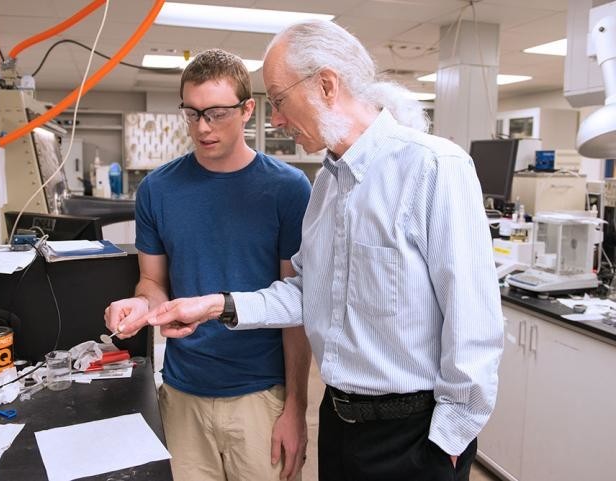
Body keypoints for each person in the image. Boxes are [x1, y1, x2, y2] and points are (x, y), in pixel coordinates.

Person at [136, 21, 504, 481]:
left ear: (327, 85)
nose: (276, 120)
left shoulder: (433, 167)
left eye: (280, 100)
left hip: (413, 434)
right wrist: (216, 306)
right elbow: (306, 292)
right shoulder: (328, 184)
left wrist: (451, 437)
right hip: (340, 421)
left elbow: (474, 318)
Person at [104, 49, 312, 481]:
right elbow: (152, 281)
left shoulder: (288, 189)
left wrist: (296, 406)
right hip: (183, 393)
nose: (202, 127)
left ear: (247, 109)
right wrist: (141, 305)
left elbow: (296, 307)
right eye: (192, 113)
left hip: (260, 394)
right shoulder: (158, 190)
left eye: (216, 113)